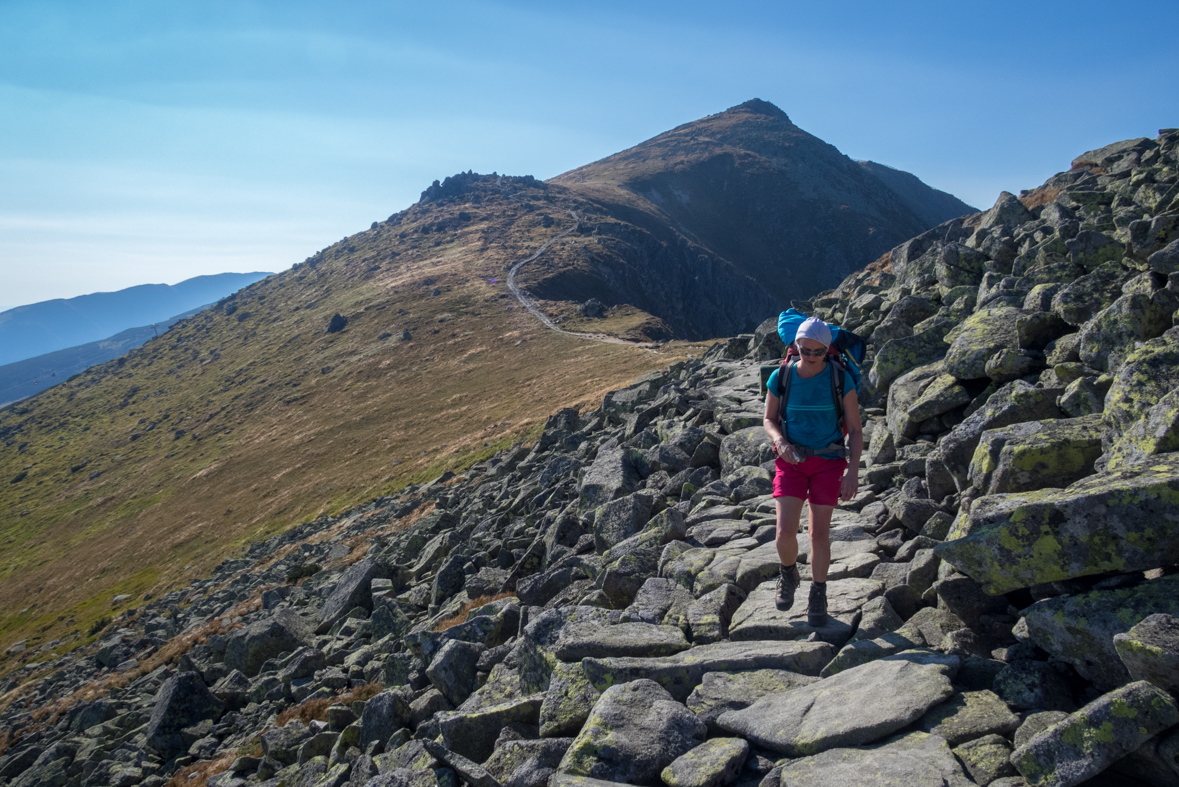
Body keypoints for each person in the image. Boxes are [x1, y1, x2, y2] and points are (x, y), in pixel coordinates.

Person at [762, 316, 863, 626]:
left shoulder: (839, 378)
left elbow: (856, 430)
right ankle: (789, 572)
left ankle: (818, 593)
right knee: (783, 535)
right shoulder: (782, 376)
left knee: (819, 534)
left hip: (828, 463)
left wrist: (852, 473)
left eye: (817, 352)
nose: (810, 357)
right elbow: (769, 420)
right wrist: (780, 443)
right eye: (804, 350)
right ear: (796, 347)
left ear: (826, 349)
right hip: (790, 462)